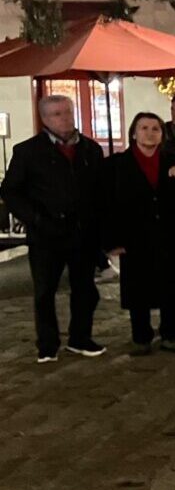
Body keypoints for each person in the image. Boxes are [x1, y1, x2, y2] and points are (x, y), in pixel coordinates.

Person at [1, 95, 106, 363]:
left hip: (82, 232)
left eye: (68, 112)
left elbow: (100, 191)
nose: (66, 118)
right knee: (45, 291)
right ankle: (47, 344)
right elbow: (11, 191)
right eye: (58, 113)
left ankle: (80, 337)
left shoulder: (90, 150)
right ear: (45, 119)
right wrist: (35, 219)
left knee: (85, 288)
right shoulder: (28, 151)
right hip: (47, 233)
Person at [101, 112, 175, 355]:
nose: (149, 133)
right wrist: (112, 241)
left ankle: (170, 333)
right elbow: (107, 205)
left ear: (162, 134)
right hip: (134, 236)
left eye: (155, 128)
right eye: (144, 128)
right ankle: (141, 336)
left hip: (167, 235)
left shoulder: (173, 160)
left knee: (170, 286)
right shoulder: (117, 164)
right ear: (133, 132)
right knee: (138, 287)